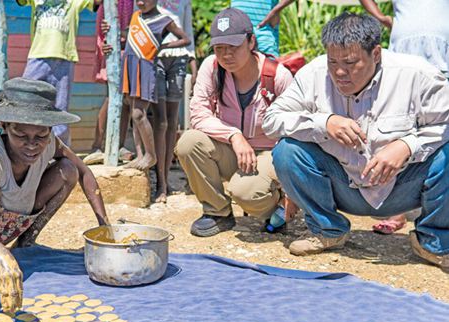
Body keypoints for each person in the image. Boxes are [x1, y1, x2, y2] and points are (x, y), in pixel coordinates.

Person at [263, 13, 449, 272]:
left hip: (403, 188)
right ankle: (328, 229)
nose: (340, 72)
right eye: (333, 61)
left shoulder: (418, 75)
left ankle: (433, 242)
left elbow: (445, 124)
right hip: (343, 188)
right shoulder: (313, 75)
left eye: (350, 63)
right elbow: (271, 120)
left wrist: (407, 145)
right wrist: (323, 123)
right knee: (287, 151)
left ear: (375, 54)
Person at [0, 78, 110, 312]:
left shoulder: (51, 144)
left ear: (50, 130)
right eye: (21, 136)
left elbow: (83, 172)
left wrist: (105, 227)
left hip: (3, 227)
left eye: (41, 136)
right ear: (5, 127)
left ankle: (26, 244)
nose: (32, 145)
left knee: (67, 170)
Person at [175, 8, 294, 237]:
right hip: (233, 150)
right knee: (189, 142)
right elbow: (198, 114)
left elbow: (298, 131)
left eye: (233, 47)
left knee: (245, 192)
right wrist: (233, 135)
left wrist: (291, 189)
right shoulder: (211, 67)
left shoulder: (277, 76)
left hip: (271, 154)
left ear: (251, 42)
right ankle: (217, 213)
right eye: (220, 48)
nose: (226, 55)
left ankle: (276, 206)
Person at [360, 0, 449, 234]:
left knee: (442, 128)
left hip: (444, 51)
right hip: (404, 51)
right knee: (400, 126)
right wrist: (380, 17)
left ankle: (435, 223)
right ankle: (396, 212)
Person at [17, 0, 103, 146]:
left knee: (59, 108)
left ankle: (59, 152)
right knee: (24, 100)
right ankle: (22, 145)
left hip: (64, 59)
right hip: (38, 57)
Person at [120, 0, 190, 171]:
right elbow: (127, 39)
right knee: (132, 111)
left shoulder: (164, 20)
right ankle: (140, 155)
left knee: (138, 114)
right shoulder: (136, 16)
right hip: (131, 66)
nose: (141, 2)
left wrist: (162, 46)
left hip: (146, 68)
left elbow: (185, 39)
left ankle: (151, 155)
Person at [152, 0, 197, 203]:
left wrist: (193, 64)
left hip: (179, 59)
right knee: (159, 122)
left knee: (172, 123)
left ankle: (166, 178)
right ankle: (160, 182)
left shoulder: (184, 2)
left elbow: (187, 30)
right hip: (155, 58)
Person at [84, 2, 135, 165]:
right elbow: (102, 32)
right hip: (114, 50)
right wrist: (105, 45)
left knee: (126, 101)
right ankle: (96, 145)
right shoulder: (108, 4)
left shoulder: (133, 4)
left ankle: (119, 145)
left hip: (131, 50)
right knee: (112, 97)